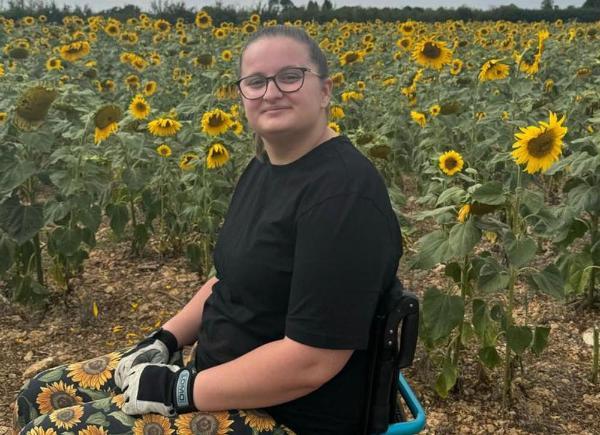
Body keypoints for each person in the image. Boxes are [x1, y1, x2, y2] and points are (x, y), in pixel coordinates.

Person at [14, 24, 402, 435]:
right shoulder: (265, 168)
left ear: (325, 90)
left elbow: (312, 361)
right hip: (216, 376)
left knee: (48, 431)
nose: (271, 92)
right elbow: (226, 278)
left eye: (290, 76)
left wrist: (179, 389)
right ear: (242, 96)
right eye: (255, 82)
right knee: (37, 392)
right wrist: (164, 340)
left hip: (286, 414)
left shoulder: (342, 197)